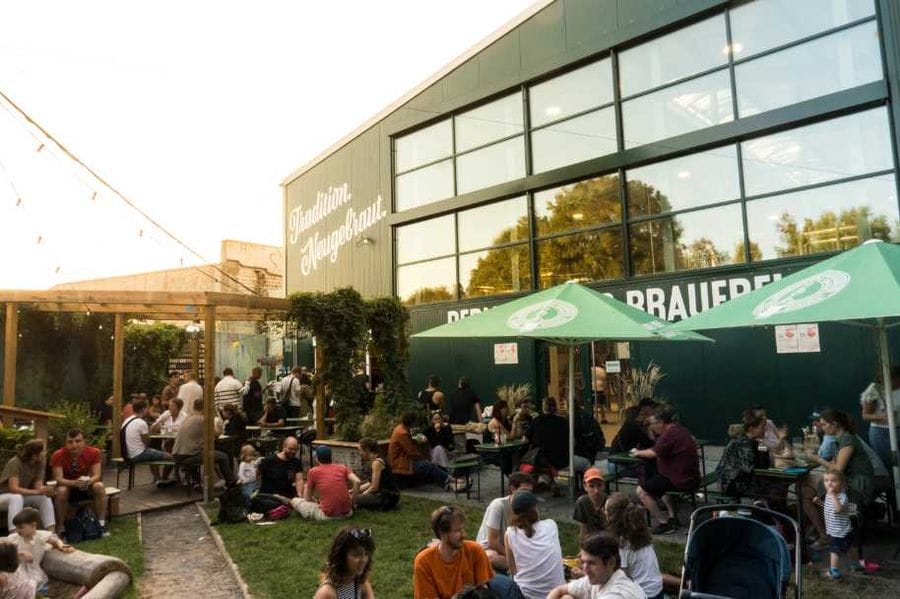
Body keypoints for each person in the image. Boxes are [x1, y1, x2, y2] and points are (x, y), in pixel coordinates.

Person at [800, 409, 874, 544]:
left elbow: (838, 469)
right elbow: (833, 466)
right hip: (846, 480)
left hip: (857, 483)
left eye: (824, 424)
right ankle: (825, 533)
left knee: (818, 489)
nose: (822, 427)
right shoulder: (839, 439)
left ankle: (829, 535)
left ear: (834, 424)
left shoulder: (847, 439)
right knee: (806, 492)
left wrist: (816, 458)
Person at [413, 505, 515, 599]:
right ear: (443, 533)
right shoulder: (424, 562)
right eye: (458, 531)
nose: (464, 534)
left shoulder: (475, 550)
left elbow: (483, 590)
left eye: (463, 529)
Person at [633, 405, 699, 534]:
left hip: (680, 479)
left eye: (654, 423)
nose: (652, 427)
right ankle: (672, 517)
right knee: (658, 479)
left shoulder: (669, 435)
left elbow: (653, 453)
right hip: (690, 476)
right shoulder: (681, 430)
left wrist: (637, 452)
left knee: (641, 491)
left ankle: (663, 523)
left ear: (661, 422)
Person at [716, 411, 788, 507]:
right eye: (762, 428)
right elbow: (750, 469)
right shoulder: (742, 443)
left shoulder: (756, 442)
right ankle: (769, 511)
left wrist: (781, 439)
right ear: (752, 429)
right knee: (777, 487)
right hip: (731, 483)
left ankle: (771, 510)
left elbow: (769, 452)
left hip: (744, 480)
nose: (765, 431)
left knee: (780, 483)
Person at [504, 490, 565, 599]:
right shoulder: (551, 525)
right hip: (557, 594)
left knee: (494, 579)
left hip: (526, 595)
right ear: (535, 509)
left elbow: (512, 569)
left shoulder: (510, 534)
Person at [547, 532, 645, 599]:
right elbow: (559, 590)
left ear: (611, 563)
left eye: (591, 563)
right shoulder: (601, 578)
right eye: (583, 562)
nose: (585, 569)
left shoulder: (617, 594)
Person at [604, 493, 664, 599]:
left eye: (605, 511)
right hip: (658, 592)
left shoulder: (622, 545)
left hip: (642, 595)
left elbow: (621, 579)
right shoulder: (641, 536)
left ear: (611, 517)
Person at [50, 429, 107, 537]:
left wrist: (87, 481)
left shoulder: (94, 452)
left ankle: (101, 523)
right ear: (65, 443)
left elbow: (97, 475)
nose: (74, 445)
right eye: (70, 442)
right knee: (61, 491)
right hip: (68, 487)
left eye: (78, 441)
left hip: (87, 486)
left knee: (99, 486)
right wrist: (74, 483)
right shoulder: (58, 454)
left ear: (84, 441)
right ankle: (61, 527)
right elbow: (58, 478)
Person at [4, 507, 73, 595]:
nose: (17, 531)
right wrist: (19, 554)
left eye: (21, 527)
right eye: (16, 528)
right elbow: (5, 546)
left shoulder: (40, 536)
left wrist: (61, 545)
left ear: (33, 525)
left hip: (33, 568)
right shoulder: (15, 538)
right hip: (18, 568)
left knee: (35, 582)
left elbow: (54, 540)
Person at [172, 398, 238, 488]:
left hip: (177, 454)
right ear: (205, 408)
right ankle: (231, 483)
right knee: (223, 457)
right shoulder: (203, 419)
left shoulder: (188, 417)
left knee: (209, 453)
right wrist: (218, 423)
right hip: (189, 455)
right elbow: (216, 434)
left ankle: (197, 481)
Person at [389, 412, 461, 491]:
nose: (417, 423)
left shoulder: (402, 428)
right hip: (401, 464)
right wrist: (424, 459)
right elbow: (412, 452)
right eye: (416, 421)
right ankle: (450, 482)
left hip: (407, 460)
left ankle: (450, 481)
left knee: (432, 464)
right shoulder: (402, 433)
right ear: (412, 422)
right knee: (429, 466)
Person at [475, 472, 534, 570]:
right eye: (524, 491)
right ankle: (520, 567)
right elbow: (492, 541)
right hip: (489, 548)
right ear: (512, 489)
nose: (527, 495)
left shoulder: (527, 506)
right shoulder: (498, 505)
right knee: (492, 557)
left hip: (510, 548)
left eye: (530, 492)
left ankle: (519, 567)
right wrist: (513, 557)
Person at [0, 441, 56, 534]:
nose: (45, 453)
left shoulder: (40, 463)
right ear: (34, 455)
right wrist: (38, 492)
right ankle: (14, 535)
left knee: (44, 498)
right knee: (16, 497)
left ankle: (51, 533)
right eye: (43, 451)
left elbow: (38, 486)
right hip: (4, 496)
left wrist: (46, 490)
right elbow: (14, 488)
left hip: (21, 496)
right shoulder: (15, 463)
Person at [292, 446, 359, 520]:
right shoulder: (342, 467)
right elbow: (357, 481)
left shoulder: (314, 471)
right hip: (348, 513)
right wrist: (353, 502)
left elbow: (307, 498)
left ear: (317, 458)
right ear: (331, 457)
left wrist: (313, 500)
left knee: (295, 500)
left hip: (328, 516)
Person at [814, 469, 858, 581]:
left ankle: (834, 572)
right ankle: (855, 564)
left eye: (833, 481)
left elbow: (838, 509)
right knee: (848, 547)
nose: (829, 483)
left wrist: (833, 495)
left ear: (841, 483)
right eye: (826, 480)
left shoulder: (842, 496)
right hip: (837, 529)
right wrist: (820, 503)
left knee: (834, 550)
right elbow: (830, 508)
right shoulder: (829, 494)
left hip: (839, 531)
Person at [860, 366, 900, 480]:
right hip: (882, 433)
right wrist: (883, 417)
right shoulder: (874, 390)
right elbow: (865, 415)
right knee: (891, 466)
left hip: (898, 429)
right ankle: (893, 490)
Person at [314, 526, 376, 599]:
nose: (363, 560)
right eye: (356, 555)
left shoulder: (360, 583)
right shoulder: (327, 593)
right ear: (342, 557)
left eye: (366, 554)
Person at [121, 399, 172, 483]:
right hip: (138, 454)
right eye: (147, 408)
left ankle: (159, 480)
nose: (148, 410)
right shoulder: (141, 422)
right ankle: (165, 478)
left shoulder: (126, 421)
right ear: (143, 409)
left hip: (127, 454)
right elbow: (147, 442)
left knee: (154, 456)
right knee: (170, 456)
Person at [356, 438, 400, 511]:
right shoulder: (378, 459)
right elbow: (370, 483)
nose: (360, 453)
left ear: (367, 450)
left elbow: (374, 487)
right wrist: (354, 490)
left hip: (386, 497)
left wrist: (361, 495)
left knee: (352, 500)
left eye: (360, 450)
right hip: (386, 494)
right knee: (352, 496)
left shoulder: (377, 463)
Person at [573, 468, 607, 542]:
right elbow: (583, 529)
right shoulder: (582, 502)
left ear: (604, 485)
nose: (596, 491)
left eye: (599, 485)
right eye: (591, 486)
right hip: (591, 541)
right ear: (585, 487)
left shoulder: (609, 503)